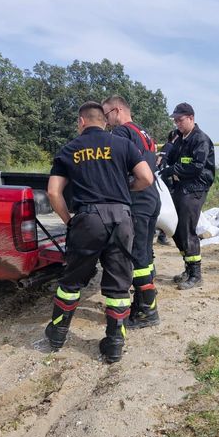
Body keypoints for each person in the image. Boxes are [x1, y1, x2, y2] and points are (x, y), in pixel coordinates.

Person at [45, 101, 153, 363]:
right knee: (118, 284)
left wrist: (68, 220)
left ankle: (58, 334)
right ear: (104, 120)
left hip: (88, 219)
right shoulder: (123, 144)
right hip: (122, 219)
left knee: (72, 281)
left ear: (81, 121)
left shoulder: (70, 149)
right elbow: (147, 178)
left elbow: (53, 191)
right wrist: (125, 192)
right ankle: (115, 344)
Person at [102, 95, 161, 329]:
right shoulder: (144, 133)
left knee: (137, 257)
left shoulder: (121, 133)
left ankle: (147, 312)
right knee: (145, 254)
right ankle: (145, 303)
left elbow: (114, 167)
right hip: (152, 197)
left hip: (138, 199)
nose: (106, 122)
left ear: (117, 110)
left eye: (106, 116)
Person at [160, 102, 215, 290]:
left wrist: (173, 170)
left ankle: (196, 274)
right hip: (181, 186)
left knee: (186, 228)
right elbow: (172, 158)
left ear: (191, 118)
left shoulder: (200, 139)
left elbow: (197, 167)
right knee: (175, 228)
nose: (177, 124)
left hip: (195, 188)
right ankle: (188, 268)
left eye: (180, 120)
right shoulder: (181, 138)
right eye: (175, 121)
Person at [155, 128, 179, 246]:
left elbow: (159, 161)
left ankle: (160, 233)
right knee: (168, 207)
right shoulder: (170, 146)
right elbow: (160, 161)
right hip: (166, 179)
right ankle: (161, 235)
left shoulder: (168, 146)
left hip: (164, 178)